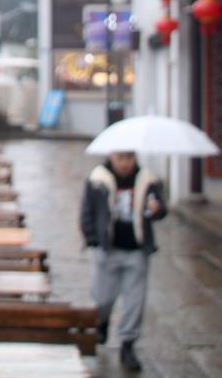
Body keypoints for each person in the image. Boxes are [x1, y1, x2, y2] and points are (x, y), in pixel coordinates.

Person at [79, 151, 167, 372]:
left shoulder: (147, 180)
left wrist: (158, 210)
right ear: (112, 157)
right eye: (121, 158)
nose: (126, 163)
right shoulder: (98, 180)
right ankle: (102, 321)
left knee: (134, 300)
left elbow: (160, 209)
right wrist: (92, 237)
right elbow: (86, 211)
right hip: (108, 248)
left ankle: (128, 343)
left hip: (136, 249)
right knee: (103, 296)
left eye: (130, 158)